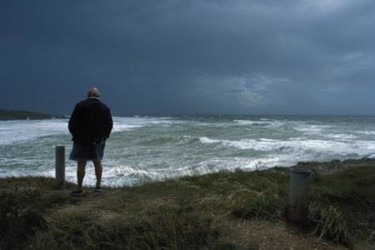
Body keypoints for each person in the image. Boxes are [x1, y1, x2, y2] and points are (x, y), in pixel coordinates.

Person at [68, 87, 113, 195]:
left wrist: (76, 136)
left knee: (81, 163)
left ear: (88, 95)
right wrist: (104, 137)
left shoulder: (80, 105)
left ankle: (79, 188)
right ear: (98, 96)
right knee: (97, 162)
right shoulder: (104, 108)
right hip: (98, 140)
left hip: (81, 140)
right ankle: (98, 186)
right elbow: (109, 125)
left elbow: (72, 124)